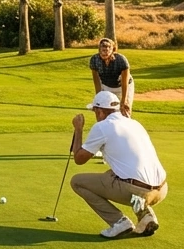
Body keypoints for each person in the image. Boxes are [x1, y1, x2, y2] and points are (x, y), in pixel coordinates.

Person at [70, 90, 169, 238]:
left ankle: (119, 222)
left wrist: (78, 129)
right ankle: (145, 216)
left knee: (77, 182)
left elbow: (79, 159)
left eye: (95, 111)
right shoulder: (134, 123)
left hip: (136, 190)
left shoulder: (102, 127)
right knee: (112, 174)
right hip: (161, 190)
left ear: (100, 111)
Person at [89, 38, 134, 117]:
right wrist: (99, 98)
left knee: (125, 109)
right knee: (103, 110)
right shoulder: (94, 60)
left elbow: (124, 82)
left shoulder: (121, 60)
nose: (105, 54)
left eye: (107, 51)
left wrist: (124, 100)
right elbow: (96, 81)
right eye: (103, 51)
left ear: (112, 50)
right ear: (99, 50)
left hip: (123, 86)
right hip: (106, 86)